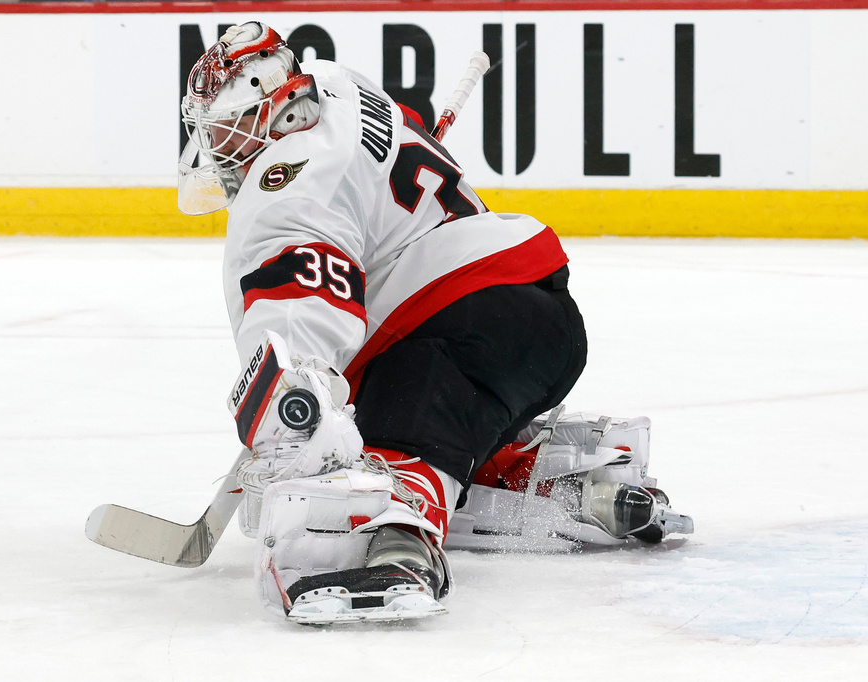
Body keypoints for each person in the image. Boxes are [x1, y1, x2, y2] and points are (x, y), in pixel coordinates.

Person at [178, 22, 692, 624]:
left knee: (379, 449)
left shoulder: (284, 190)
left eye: (225, 127)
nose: (216, 146)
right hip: (540, 316)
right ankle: (551, 479)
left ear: (272, 113)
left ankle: (395, 545)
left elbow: (298, 319)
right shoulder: (338, 85)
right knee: (434, 410)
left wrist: (293, 425)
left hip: (459, 325)